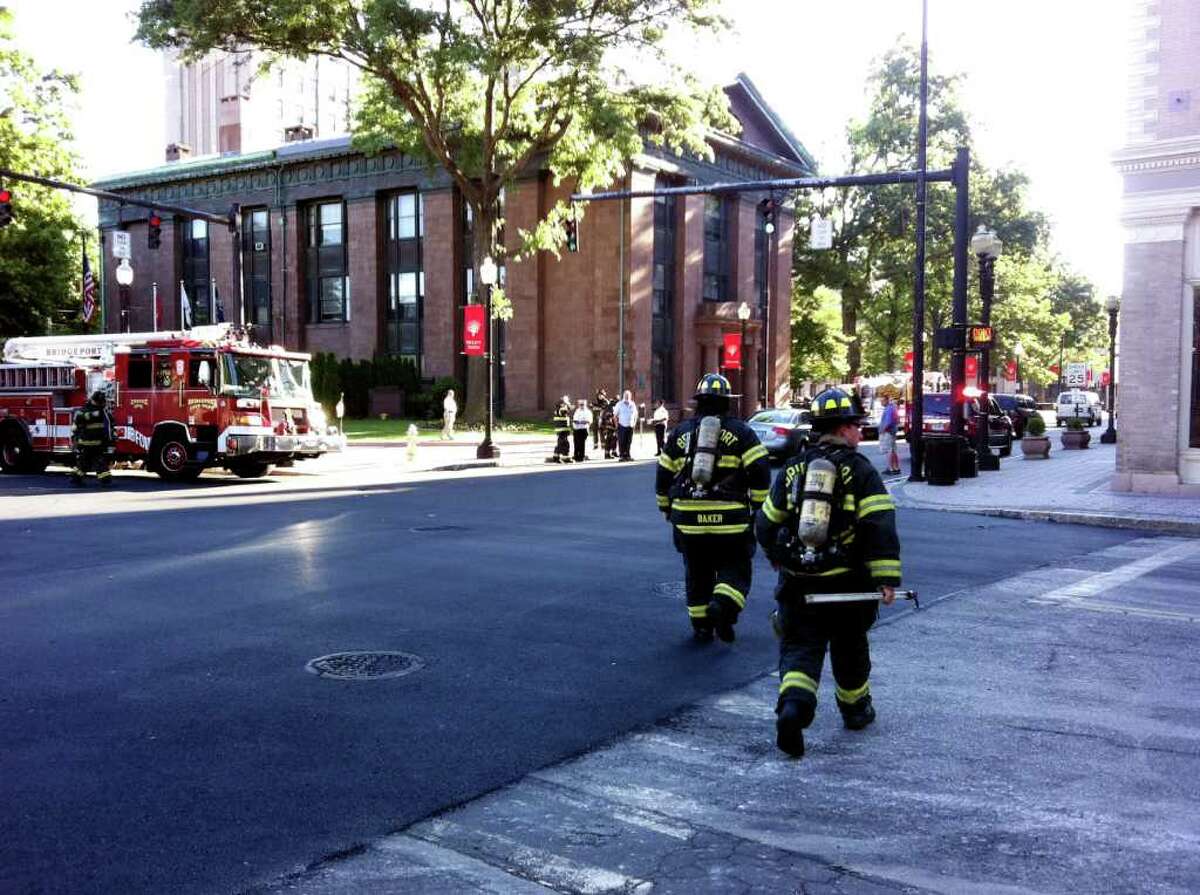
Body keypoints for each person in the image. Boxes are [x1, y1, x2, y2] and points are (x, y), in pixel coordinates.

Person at [755, 387, 902, 758]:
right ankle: (855, 711)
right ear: (845, 428)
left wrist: (777, 554)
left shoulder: (793, 468)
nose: (859, 433)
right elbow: (879, 525)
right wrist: (886, 579)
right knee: (850, 650)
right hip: (849, 587)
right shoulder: (861, 469)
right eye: (856, 426)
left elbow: (766, 521)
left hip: (799, 585)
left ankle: (794, 708)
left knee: (800, 651)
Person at [655, 373, 771, 643]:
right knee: (736, 567)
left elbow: (663, 474)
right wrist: (757, 506)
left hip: (687, 521)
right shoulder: (742, 432)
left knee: (696, 573)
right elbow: (760, 470)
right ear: (726, 402)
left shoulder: (681, 432)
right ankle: (722, 605)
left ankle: (701, 626)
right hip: (730, 520)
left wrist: (665, 508)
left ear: (699, 402)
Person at [70, 389, 115, 486]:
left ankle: (77, 478)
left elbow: (109, 426)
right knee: (96, 462)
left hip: (92, 443)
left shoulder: (101, 412)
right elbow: (79, 420)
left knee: (86, 462)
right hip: (89, 442)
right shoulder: (91, 411)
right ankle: (105, 480)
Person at [878, 394, 900, 474]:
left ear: (886, 400)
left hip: (888, 432)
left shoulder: (888, 409)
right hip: (892, 432)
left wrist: (883, 430)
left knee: (888, 450)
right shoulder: (892, 407)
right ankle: (896, 468)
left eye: (882, 401)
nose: (881, 402)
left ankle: (890, 468)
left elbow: (888, 421)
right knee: (893, 450)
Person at [613, 390, 638, 461]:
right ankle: (622, 456)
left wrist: (634, 423)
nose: (627, 397)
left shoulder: (632, 404)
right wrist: (616, 425)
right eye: (626, 395)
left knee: (629, 441)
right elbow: (615, 416)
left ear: (630, 396)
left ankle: (627, 455)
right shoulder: (619, 404)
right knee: (622, 441)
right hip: (622, 425)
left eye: (628, 395)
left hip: (630, 426)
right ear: (623, 396)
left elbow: (635, 415)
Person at [552, 395, 573, 463]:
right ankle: (556, 457)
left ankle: (564, 457)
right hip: (562, 430)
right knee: (562, 444)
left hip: (564, 429)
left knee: (565, 444)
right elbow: (569, 409)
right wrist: (567, 403)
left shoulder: (560, 409)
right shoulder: (560, 409)